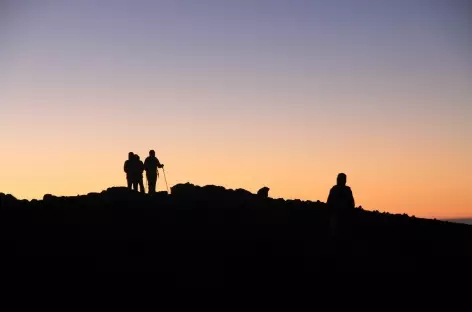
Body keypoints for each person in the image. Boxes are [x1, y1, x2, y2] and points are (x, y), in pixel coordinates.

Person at [327, 173, 355, 243]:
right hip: (337, 217)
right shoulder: (335, 189)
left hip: (343, 218)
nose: (338, 180)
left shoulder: (346, 190)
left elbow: (351, 203)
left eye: (339, 179)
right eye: (338, 178)